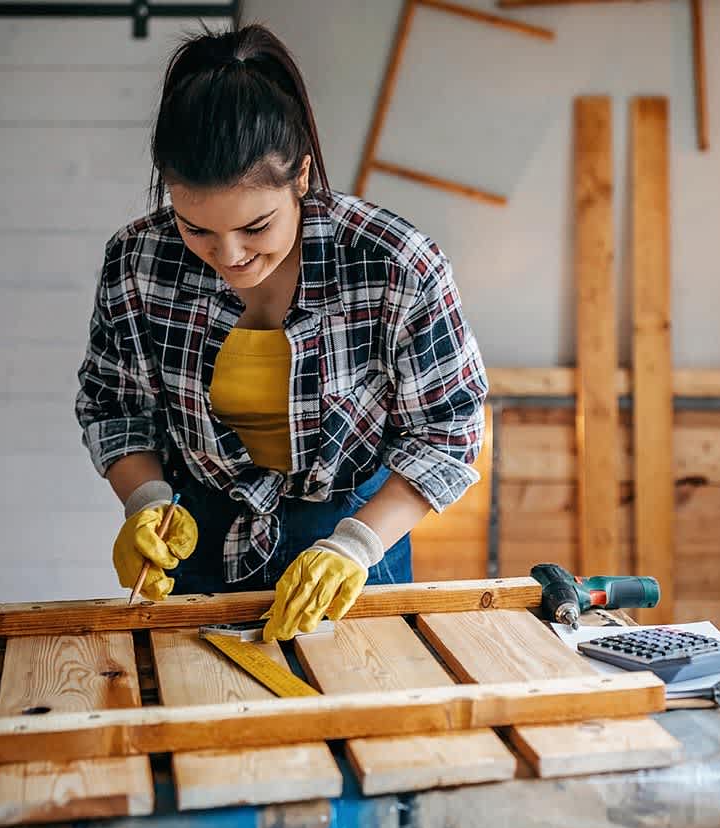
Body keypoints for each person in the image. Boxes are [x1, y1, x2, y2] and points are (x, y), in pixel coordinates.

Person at [75, 23, 487, 641]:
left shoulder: (395, 264)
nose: (229, 255)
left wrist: (354, 545)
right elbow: (117, 408)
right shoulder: (138, 260)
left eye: (256, 226)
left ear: (301, 176)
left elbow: (449, 431)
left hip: (352, 547)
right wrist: (145, 504)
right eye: (197, 230)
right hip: (198, 546)